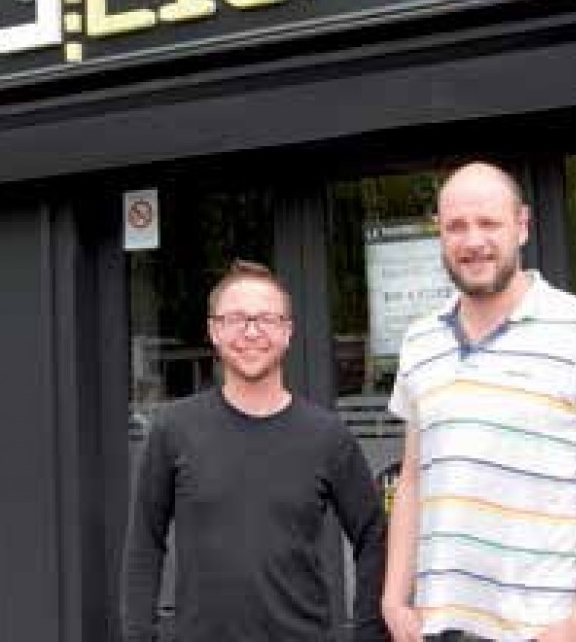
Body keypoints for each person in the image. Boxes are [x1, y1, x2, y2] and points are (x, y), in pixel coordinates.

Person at [382, 162, 576, 642]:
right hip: (437, 624)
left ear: (521, 226)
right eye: (456, 226)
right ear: (439, 233)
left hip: (543, 625)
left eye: (488, 223)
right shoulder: (419, 340)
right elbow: (414, 476)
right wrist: (394, 600)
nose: (472, 240)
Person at [122, 260, 386, 642]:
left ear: (287, 331)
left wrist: (368, 632)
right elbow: (144, 544)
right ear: (214, 330)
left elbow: (373, 536)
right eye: (236, 319)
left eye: (265, 318)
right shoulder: (173, 429)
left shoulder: (327, 436)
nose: (251, 332)